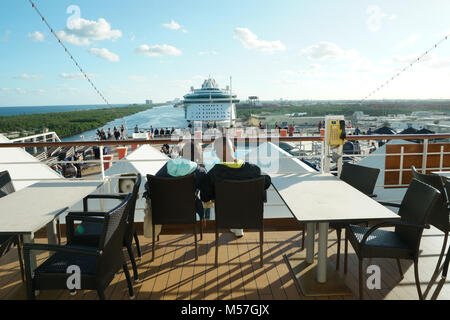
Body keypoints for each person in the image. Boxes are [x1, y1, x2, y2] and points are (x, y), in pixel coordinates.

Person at [202, 137, 271, 238]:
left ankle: (235, 225)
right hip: (250, 215)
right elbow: (267, 181)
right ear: (234, 149)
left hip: (225, 216)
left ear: (216, 154)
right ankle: (239, 227)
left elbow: (205, 195)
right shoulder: (252, 169)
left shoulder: (214, 173)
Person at [144, 142, 209, 222]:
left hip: (164, 212)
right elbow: (206, 195)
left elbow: (149, 185)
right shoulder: (199, 171)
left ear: (182, 152)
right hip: (188, 213)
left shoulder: (169, 165)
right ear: (199, 155)